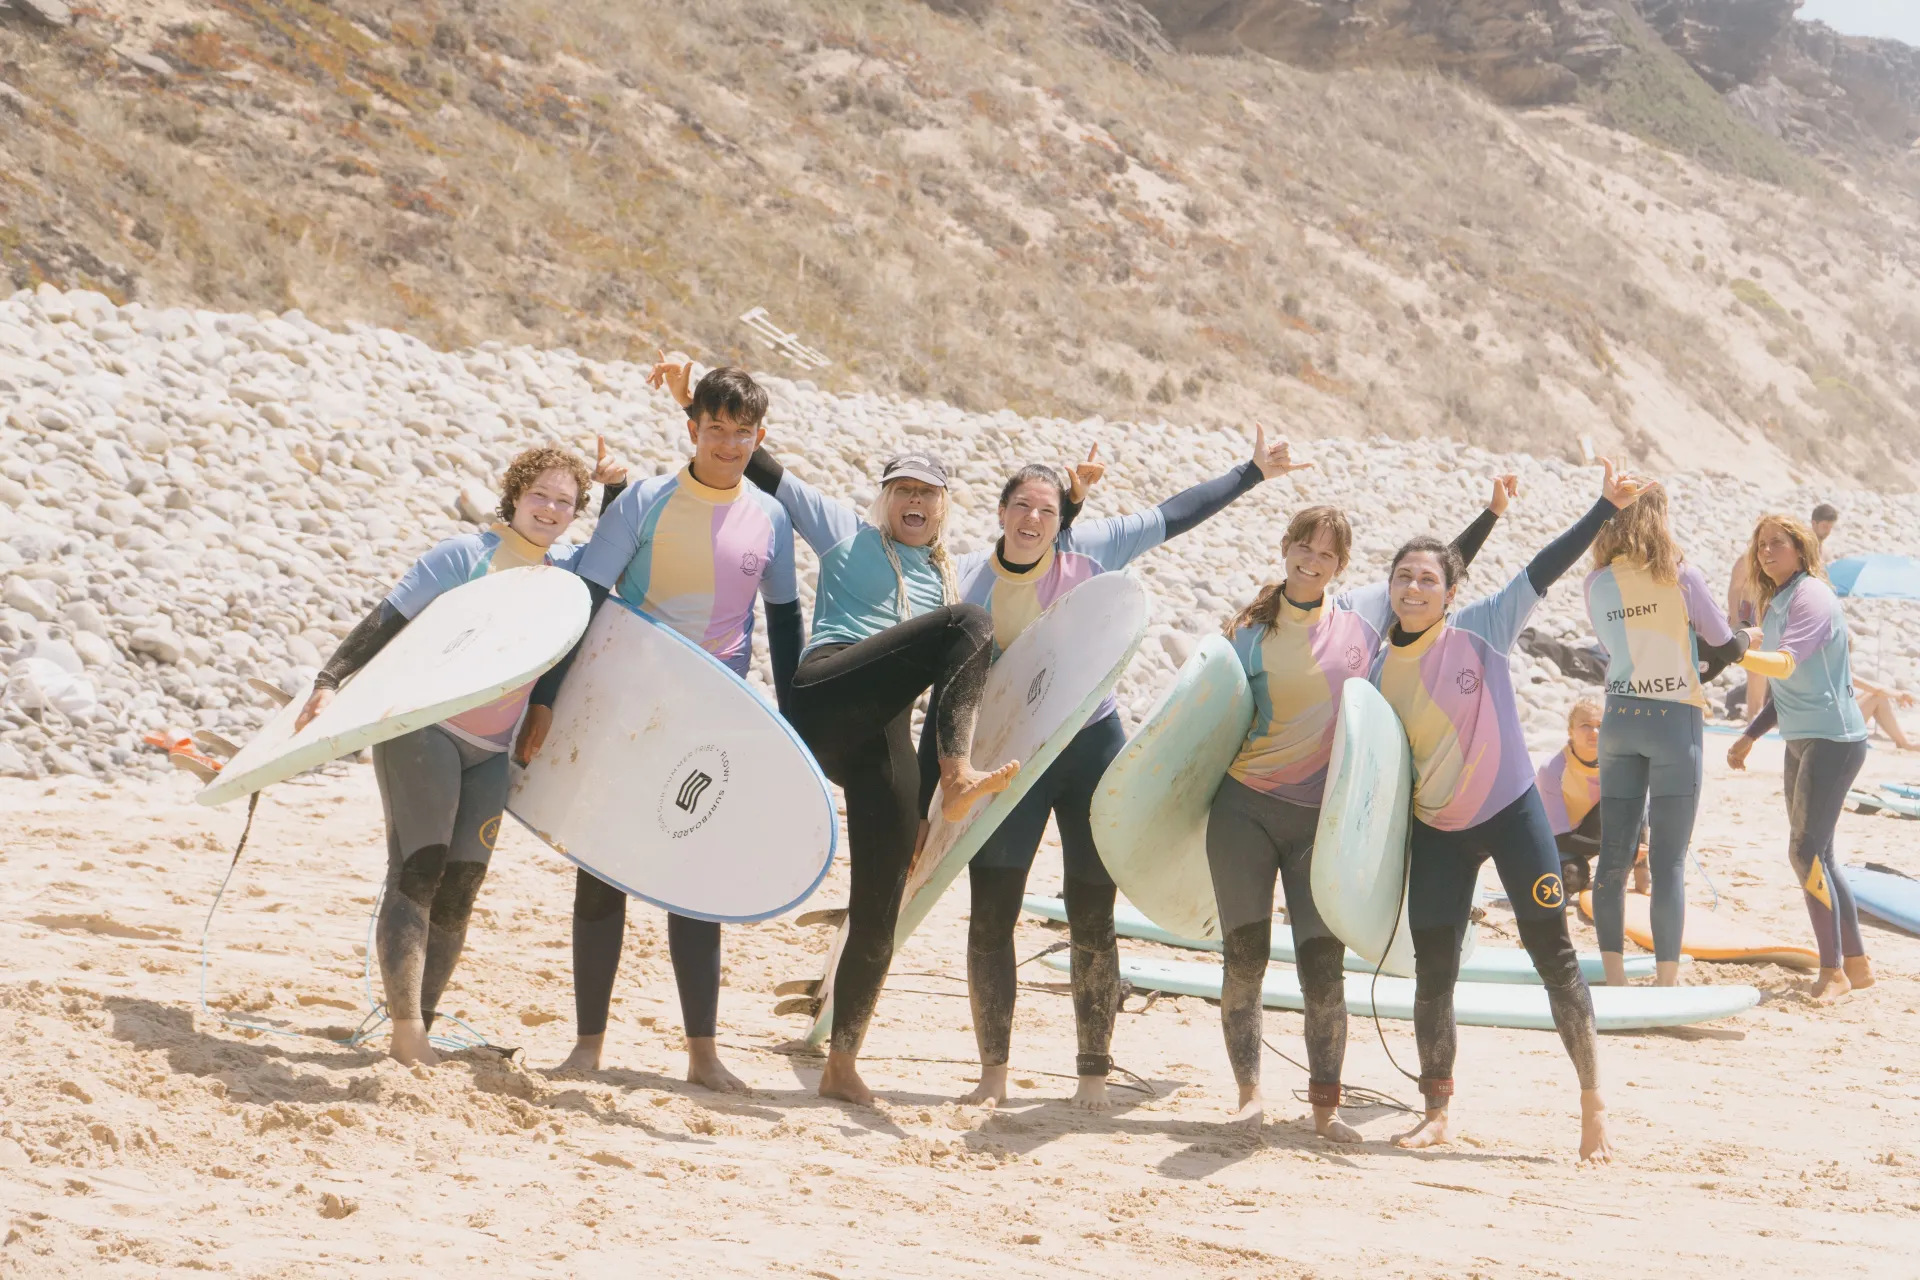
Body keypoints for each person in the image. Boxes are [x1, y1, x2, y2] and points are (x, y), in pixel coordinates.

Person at [949, 431, 1309, 1113]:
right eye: (1021, 506)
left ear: (1063, 521)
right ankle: (993, 1072)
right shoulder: (965, 576)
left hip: (1090, 747)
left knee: (1093, 912)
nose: (1032, 520)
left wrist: (1253, 472)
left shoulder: (1092, 553)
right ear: (1001, 512)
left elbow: (1173, 516)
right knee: (991, 912)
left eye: (1047, 511)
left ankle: (1093, 1074)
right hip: (1010, 762)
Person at [293, 440, 626, 1066]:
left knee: (461, 887)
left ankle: (422, 1022)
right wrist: (330, 680)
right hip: (427, 731)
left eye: (564, 502)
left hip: (492, 748)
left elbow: (613, 556)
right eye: (539, 496)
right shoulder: (464, 557)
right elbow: (388, 615)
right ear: (514, 496)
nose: (550, 510)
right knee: (418, 870)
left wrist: (613, 491)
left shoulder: (563, 578)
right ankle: (405, 1031)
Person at [520, 364, 801, 1092]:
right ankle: (588, 1045)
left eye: (743, 434)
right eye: (716, 431)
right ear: (692, 428)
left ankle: (703, 1053)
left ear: (759, 436)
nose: (729, 446)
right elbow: (585, 598)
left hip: (710, 718)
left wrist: (795, 732)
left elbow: (782, 625)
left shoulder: (770, 516)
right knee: (601, 868)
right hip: (625, 707)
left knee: (691, 877)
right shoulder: (644, 501)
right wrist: (548, 699)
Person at [1210, 478, 1510, 1140]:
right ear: (1285, 550)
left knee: (1324, 966)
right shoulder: (1249, 632)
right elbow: (1213, 722)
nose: (1312, 563)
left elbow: (1436, 570)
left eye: (1326, 555)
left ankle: (1326, 1107)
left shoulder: (1361, 618)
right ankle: (1248, 1092)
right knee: (1245, 957)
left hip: (1322, 821)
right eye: (1303, 549)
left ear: (1341, 567)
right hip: (1245, 813)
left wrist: (1488, 515)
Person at [1372, 458, 1652, 1163]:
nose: (1414, 587)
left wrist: (1602, 507)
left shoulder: (1483, 627)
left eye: (1428, 579)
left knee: (1553, 957)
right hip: (1437, 827)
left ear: (1450, 590)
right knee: (1434, 970)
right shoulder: (1372, 667)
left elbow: (1543, 567)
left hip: (1512, 811)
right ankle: (1436, 1108)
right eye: (1403, 577)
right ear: (1390, 588)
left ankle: (1593, 1105)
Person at [734, 417, 1015, 1107]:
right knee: (973, 626)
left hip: (879, 736)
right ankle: (959, 774)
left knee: (882, 904)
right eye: (903, 490)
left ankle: (842, 1061)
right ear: (884, 499)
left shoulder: (945, 578)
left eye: (928, 492)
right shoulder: (846, 533)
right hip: (827, 694)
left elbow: (940, 700)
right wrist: (701, 406)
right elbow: (766, 472)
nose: (914, 501)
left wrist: (923, 809)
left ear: (944, 505)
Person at [1582, 485, 1752, 988]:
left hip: (1618, 718)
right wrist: (1746, 634)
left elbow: (1610, 646)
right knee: (1668, 861)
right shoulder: (1682, 576)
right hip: (1674, 721)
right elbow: (1727, 645)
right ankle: (1665, 982)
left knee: (1613, 856)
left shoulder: (1594, 582)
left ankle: (1613, 978)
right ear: (1660, 520)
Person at [1727, 514, 1877, 1001]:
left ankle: (1832, 972)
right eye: (1761, 545)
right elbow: (1788, 686)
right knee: (1822, 855)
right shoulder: (1780, 600)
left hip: (1832, 741)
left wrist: (1733, 653)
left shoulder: (1811, 596)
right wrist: (1751, 734)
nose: (1767, 551)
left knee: (1804, 853)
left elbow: (1784, 663)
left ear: (1801, 549)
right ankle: (1856, 966)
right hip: (1803, 739)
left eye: (1777, 544)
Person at [1853, 677, 1918, 750]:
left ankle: (1904, 742)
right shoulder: (1841, 670)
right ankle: (1905, 744)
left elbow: (1870, 686)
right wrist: (1900, 695)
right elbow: (1877, 690)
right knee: (1878, 697)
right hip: (1842, 728)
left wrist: (1898, 693)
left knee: (1871, 694)